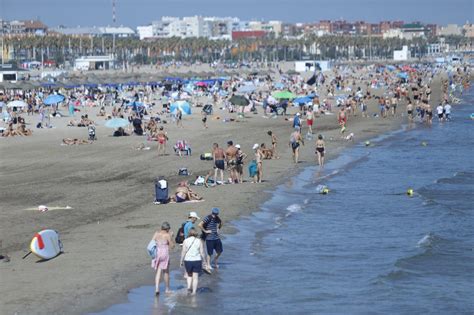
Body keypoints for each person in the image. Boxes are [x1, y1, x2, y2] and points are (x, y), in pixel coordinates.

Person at [180, 227, 206, 295]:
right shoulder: (199, 241)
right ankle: (194, 292)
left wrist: (181, 261)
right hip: (197, 260)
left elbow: (183, 252)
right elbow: (202, 252)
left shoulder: (185, 241)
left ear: (189, 233)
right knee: (195, 277)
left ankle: (189, 288)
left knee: (189, 275)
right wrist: (204, 260)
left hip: (188, 260)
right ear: (196, 233)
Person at [151, 222, 175, 296]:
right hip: (164, 254)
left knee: (158, 271)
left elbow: (152, 243)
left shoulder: (156, 233)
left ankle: (157, 289)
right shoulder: (167, 235)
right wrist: (171, 236)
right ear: (167, 229)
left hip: (157, 253)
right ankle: (167, 289)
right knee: (166, 272)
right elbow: (172, 246)